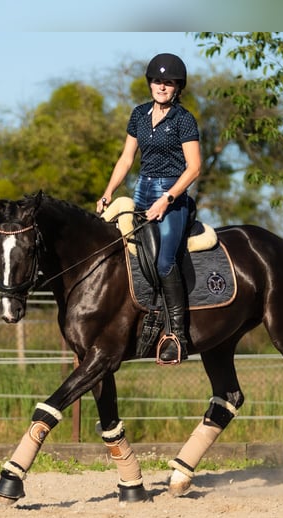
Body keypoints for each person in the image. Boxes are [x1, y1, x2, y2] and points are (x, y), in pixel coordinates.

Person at [97, 53, 202, 364]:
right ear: (150, 84)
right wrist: (108, 192)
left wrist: (167, 199)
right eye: (158, 81)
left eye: (168, 82)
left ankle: (177, 335)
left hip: (172, 198)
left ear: (177, 88)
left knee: (164, 261)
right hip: (141, 192)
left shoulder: (184, 119)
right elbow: (127, 159)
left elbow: (194, 167)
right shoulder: (139, 115)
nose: (162, 86)